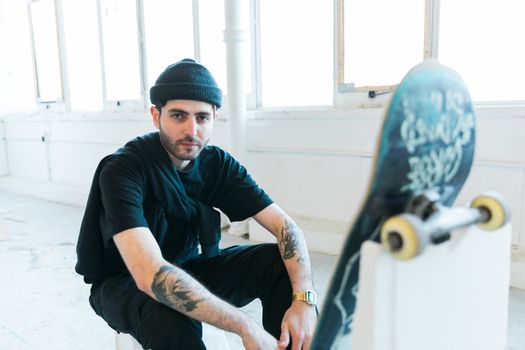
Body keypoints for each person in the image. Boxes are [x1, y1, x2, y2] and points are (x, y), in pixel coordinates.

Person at [75, 58, 317, 350]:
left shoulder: (217, 165)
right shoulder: (124, 169)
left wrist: (304, 298)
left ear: (214, 115)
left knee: (279, 263)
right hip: (122, 283)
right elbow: (150, 274)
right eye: (178, 116)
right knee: (173, 317)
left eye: (201, 117)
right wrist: (245, 325)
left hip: (189, 267)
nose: (192, 130)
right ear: (156, 115)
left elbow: (286, 228)